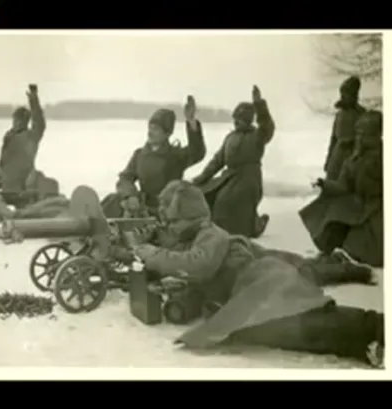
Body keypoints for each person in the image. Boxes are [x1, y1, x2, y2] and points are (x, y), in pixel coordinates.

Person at [132, 180, 384, 368]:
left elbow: (198, 264)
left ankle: (376, 327)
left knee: (307, 320)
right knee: (286, 333)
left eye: (175, 222)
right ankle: (363, 343)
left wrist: (151, 254)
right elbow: (194, 270)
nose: (171, 228)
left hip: (265, 284)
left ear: (193, 218)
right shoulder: (193, 238)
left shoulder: (210, 233)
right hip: (253, 292)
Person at [299, 110, 383, 268]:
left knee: (371, 251)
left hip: (378, 210)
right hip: (361, 206)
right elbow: (343, 186)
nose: (360, 138)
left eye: (365, 134)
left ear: (376, 134)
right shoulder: (353, 159)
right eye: (358, 134)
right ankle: (332, 243)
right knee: (333, 205)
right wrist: (324, 184)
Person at [101, 95, 206, 218]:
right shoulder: (140, 155)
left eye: (155, 129)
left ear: (167, 133)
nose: (150, 132)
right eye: (149, 128)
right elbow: (125, 178)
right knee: (112, 201)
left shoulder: (176, 156)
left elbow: (197, 152)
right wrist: (130, 196)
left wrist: (191, 121)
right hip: (141, 207)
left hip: (166, 211)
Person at [191, 86, 274, 238]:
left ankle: (251, 227)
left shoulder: (258, 136)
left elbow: (267, 126)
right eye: (235, 120)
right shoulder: (231, 138)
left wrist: (259, 104)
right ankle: (218, 228)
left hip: (248, 179)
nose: (237, 123)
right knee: (208, 194)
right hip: (229, 177)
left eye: (241, 120)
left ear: (248, 121)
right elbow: (218, 161)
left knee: (227, 201)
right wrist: (201, 178)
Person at [0, 84, 46, 194]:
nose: (15, 123)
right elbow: (3, 161)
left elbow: (39, 121)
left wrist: (33, 99)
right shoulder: (9, 136)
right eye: (15, 120)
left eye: (18, 120)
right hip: (4, 176)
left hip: (20, 180)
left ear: (24, 121)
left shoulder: (31, 136)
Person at [324, 76, 366, 181]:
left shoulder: (361, 114)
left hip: (353, 156)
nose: (343, 96)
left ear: (354, 96)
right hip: (337, 156)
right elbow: (333, 139)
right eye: (342, 93)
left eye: (347, 94)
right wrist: (329, 161)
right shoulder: (339, 115)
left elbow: (364, 139)